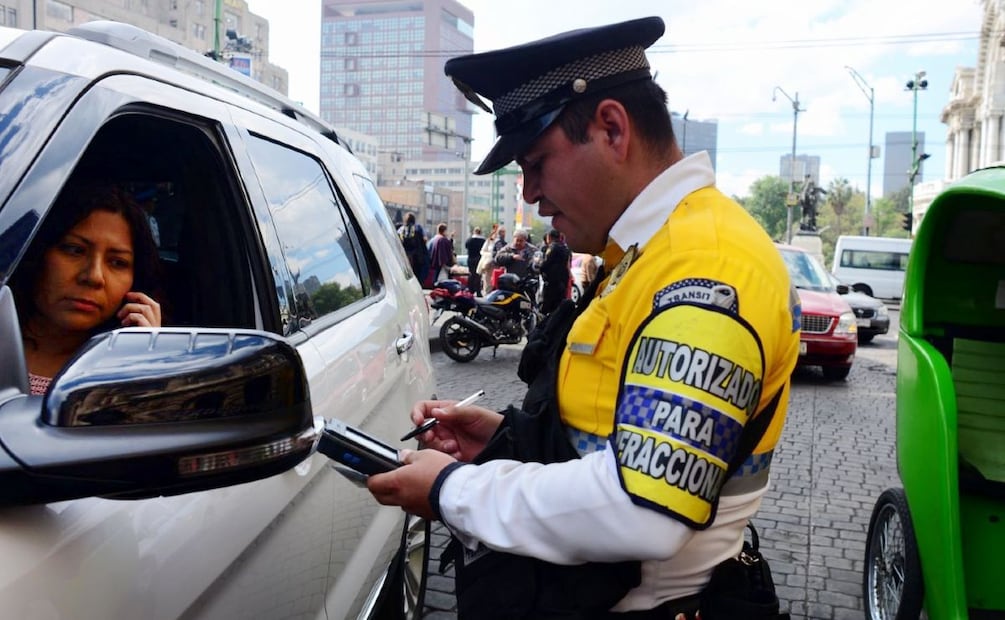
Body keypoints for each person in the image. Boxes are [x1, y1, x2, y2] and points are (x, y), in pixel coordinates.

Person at [367, 16, 800, 619]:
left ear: (612, 129)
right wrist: (500, 437)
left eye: (537, 161)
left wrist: (451, 491)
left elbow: (645, 508)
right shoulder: (647, 253)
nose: (529, 195)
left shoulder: (708, 268)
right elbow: (617, 433)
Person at [10, 183, 163, 396]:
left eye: (117, 262)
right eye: (75, 250)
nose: (93, 277)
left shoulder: (124, 369)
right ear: (34, 254)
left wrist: (147, 361)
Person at [539, 228, 571, 315]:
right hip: (562, 282)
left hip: (551, 282)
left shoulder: (552, 247)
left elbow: (545, 263)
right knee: (558, 307)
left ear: (549, 237)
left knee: (546, 306)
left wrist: (539, 267)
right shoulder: (566, 249)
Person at [397, 212, 427, 282]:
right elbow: (423, 242)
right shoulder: (418, 229)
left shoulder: (400, 230)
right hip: (416, 258)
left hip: (403, 257)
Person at [476, 223, 500, 294]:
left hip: (496, 264)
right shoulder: (488, 241)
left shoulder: (499, 242)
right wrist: (489, 255)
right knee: (488, 282)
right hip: (488, 264)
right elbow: (482, 251)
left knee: (496, 282)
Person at [464, 226, 486, 295]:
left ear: (474, 232)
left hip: (470, 259)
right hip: (479, 259)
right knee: (478, 276)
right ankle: (478, 292)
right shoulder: (483, 241)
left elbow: (466, 246)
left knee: (471, 275)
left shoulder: (469, 240)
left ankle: (471, 290)